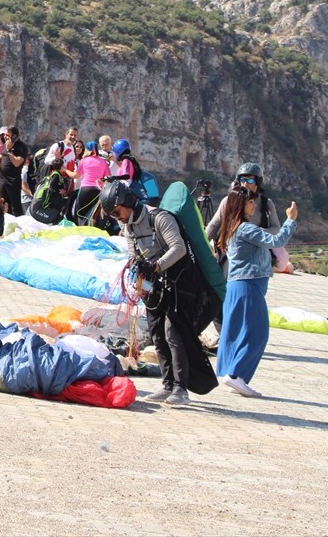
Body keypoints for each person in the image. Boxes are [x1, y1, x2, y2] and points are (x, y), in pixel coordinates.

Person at [102, 180, 218, 405]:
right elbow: (132, 254)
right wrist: (138, 273)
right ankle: (167, 385)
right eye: (113, 215)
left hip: (179, 284)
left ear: (127, 202)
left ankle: (180, 388)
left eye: (117, 212)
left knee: (174, 333)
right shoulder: (129, 227)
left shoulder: (160, 218)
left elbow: (179, 248)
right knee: (157, 333)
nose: (117, 218)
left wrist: (156, 265)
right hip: (154, 285)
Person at [215, 187, 298, 397]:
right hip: (248, 286)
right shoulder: (246, 229)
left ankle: (228, 372)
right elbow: (276, 241)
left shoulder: (232, 227)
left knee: (234, 331)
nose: (254, 206)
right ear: (241, 205)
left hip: (237, 285)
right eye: (251, 202)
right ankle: (236, 374)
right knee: (258, 332)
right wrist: (290, 220)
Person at [205, 162, 292, 275]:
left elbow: (275, 227)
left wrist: (255, 234)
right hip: (230, 252)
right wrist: (202, 244)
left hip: (257, 255)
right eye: (243, 180)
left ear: (257, 182)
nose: (246, 184)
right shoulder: (228, 201)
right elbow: (214, 225)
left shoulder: (266, 203)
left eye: (250, 180)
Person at [72, 141, 111, 226]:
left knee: (80, 212)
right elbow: (108, 176)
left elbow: (76, 176)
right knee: (94, 214)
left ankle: (82, 231)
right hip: (98, 190)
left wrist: (64, 169)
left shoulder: (83, 161)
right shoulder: (103, 161)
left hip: (85, 189)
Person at [0, 126, 27, 216]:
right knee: (2, 204)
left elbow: (17, 162)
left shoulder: (21, 147)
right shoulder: (6, 144)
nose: (5, 137)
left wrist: (9, 150)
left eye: (7, 135)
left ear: (14, 136)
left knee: (15, 207)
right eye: (4, 135)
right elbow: (2, 158)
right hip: (2, 179)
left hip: (13, 181)